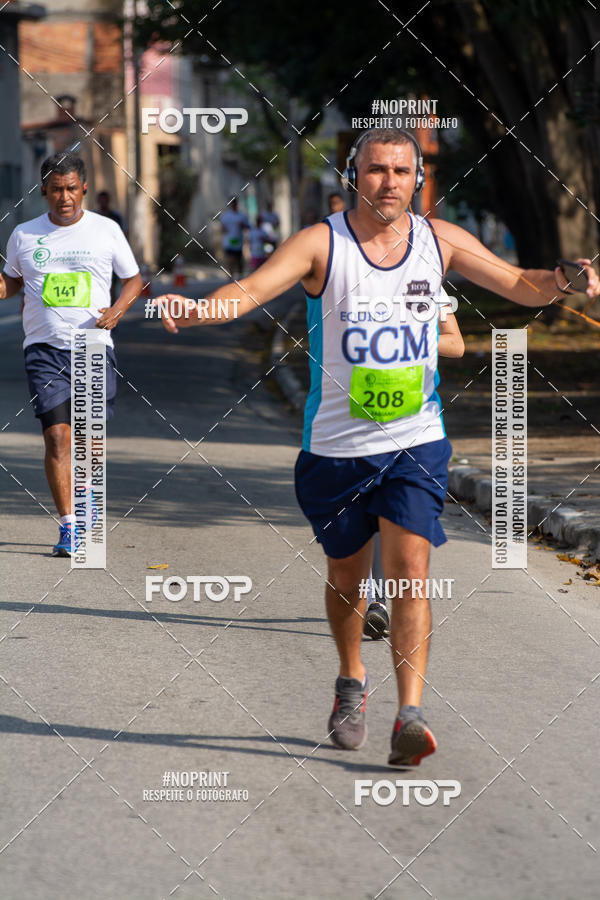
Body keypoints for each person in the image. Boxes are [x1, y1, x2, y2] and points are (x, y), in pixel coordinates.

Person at [154, 128, 599, 767]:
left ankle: (410, 713)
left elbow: (521, 284)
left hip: (416, 441)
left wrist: (562, 276)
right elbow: (246, 293)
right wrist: (195, 308)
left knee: (411, 572)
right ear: (352, 174)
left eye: (400, 171)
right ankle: (351, 679)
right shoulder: (320, 244)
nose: (388, 181)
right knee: (346, 579)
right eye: (375, 170)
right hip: (335, 448)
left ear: (417, 179)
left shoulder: (439, 242)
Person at [0, 152, 142, 556]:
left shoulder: (106, 230)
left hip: (93, 344)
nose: (65, 197)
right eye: (56, 189)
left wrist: (117, 310)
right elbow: (10, 283)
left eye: (71, 189)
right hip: (44, 347)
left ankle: (87, 499)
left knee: (89, 440)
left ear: (83, 188)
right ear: (44, 190)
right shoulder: (25, 235)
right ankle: (69, 525)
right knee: (58, 437)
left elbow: (132, 279)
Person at [364, 286, 464, 641]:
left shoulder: (427, 286)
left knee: (399, 510)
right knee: (371, 511)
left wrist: (415, 341)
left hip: (417, 418)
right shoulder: (353, 279)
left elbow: (456, 343)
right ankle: (373, 597)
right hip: (362, 411)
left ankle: (383, 599)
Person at [220, 197, 250, 276]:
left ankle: (240, 276)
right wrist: (223, 229)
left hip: (238, 240)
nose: (233, 204)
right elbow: (221, 229)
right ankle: (230, 276)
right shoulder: (225, 216)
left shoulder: (242, 216)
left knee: (238, 259)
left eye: (234, 202)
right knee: (230, 259)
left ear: (237, 203)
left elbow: (248, 227)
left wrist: (242, 225)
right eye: (232, 203)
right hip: (229, 240)